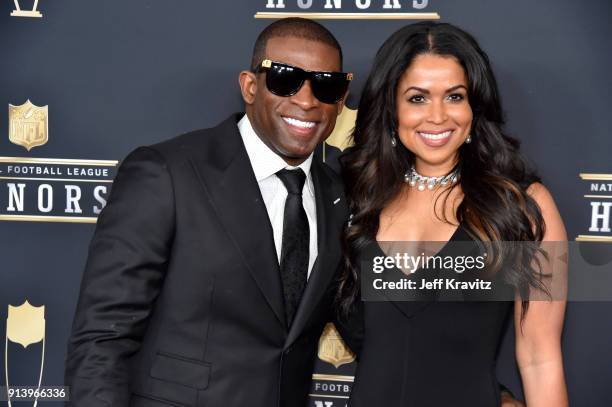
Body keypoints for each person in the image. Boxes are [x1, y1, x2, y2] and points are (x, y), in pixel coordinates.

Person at [64, 18, 352, 407]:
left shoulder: (339, 191)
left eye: (325, 85)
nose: (306, 100)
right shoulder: (166, 172)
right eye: (285, 79)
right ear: (250, 87)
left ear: (341, 96)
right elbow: (102, 338)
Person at [338, 22, 568, 406]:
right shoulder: (355, 199)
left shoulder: (525, 207)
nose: (438, 116)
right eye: (417, 98)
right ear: (391, 107)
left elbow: (540, 359)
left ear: (475, 106)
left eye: (454, 96)